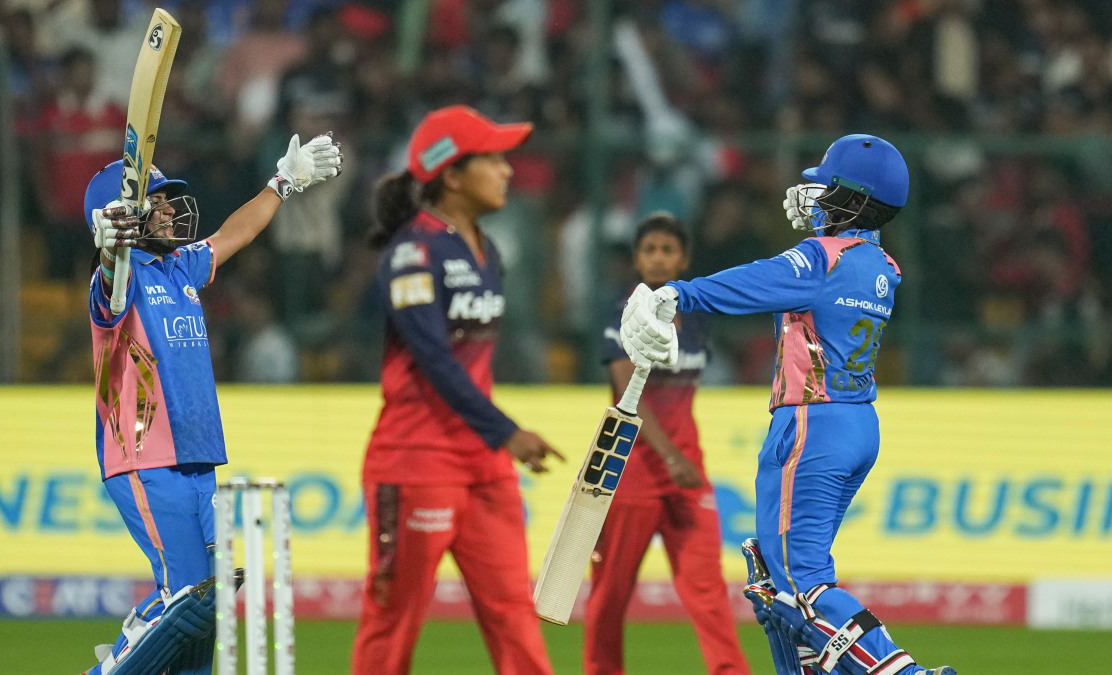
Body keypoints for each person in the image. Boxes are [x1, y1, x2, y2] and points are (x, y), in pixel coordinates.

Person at [620, 135, 956, 675]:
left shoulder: (823, 256)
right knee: (774, 584)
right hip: (855, 424)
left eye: (828, 186)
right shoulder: (881, 266)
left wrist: (675, 294)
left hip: (809, 423)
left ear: (857, 199)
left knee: (798, 584)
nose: (814, 194)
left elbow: (759, 280)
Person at [79, 132, 342, 675]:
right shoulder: (118, 283)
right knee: (185, 596)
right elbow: (112, 276)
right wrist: (110, 249)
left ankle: (148, 640)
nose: (173, 211)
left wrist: (282, 182)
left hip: (198, 458)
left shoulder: (180, 268)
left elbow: (234, 233)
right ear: (123, 216)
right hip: (145, 458)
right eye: (159, 203)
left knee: (209, 600)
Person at [351, 105, 564, 675]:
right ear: (452, 174)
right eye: (492, 159)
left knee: (516, 614)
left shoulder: (487, 250)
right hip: (416, 460)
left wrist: (496, 439)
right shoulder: (412, 254)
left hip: (482, 464)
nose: (507, 170)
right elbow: (435, 360)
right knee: (394, 619)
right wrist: (507, 431)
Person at [587, 212, 749, 675]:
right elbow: (623, 393)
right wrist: (671, 455)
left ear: (684, 259)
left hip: (687, 473)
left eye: (667, 250)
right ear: (637, 258)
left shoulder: (697, 314)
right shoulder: (619, 309)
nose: (658, 258)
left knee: (708, 592)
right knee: (610, 594)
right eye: (649, 250)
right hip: (632, 472)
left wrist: (682, 459)